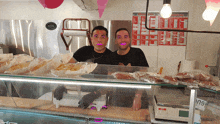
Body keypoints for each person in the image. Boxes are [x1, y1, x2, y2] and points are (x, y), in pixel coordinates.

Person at [78, 28, 149, 111]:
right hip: (119, 98)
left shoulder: (137, 52)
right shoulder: (111, 57)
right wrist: (94, 94)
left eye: (125, 36)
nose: (123, 40)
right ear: (115, 41)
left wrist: (138, 96)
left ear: (129, 39)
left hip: (139, 96)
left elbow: (144, 76)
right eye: (119, 37)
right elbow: (109, 82)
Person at [54, 26, 112, 100]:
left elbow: (111, 84)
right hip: (78, 92)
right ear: (91, 38)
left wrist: (95, 94)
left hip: (101, 96)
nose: (99, 40)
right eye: (96, 36)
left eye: (102, 37)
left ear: (107, 39)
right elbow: (66, 68)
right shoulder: (83, 51)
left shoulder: (111, 56)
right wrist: (61, 85)